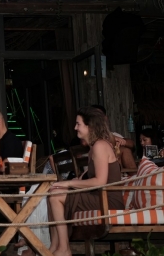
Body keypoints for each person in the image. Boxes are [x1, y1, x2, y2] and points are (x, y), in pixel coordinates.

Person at [47, 107, 123, 256]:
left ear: (90, 126)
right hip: (97, 196)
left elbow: (100, 182)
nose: (75, 128)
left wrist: (68, 184)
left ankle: (64, 248)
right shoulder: (94, 147)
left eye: (78, 124)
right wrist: (67, 183)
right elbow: (87, 177)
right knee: (53, 192)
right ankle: (55, 247)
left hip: (108, 200)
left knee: (56, 196)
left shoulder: (100, 146)